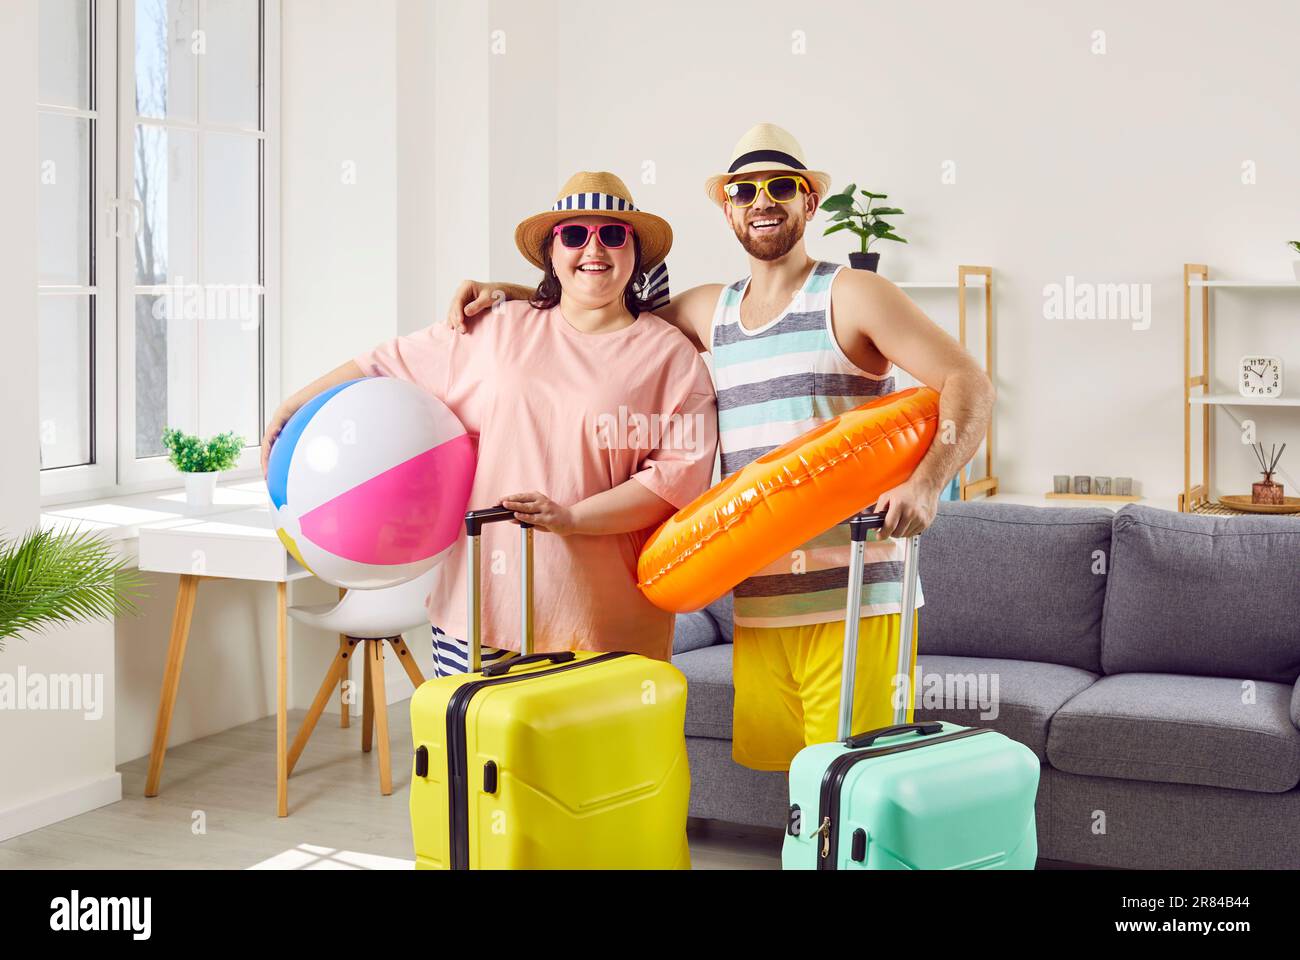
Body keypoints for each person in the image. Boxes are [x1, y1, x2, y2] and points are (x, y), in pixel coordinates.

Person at [444, 124, 995, 771]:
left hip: (854, 596)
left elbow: (969, 382)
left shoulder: (851, 294)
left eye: (780, 187)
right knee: (794, 781)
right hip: (759, 599)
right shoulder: (711, 311)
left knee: (858, 781)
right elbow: (604, 309)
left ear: (808, 202)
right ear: (728, 207)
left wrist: (926, 484)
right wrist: (512, 295)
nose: (762, 200)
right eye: (745, 190)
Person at [262, 171, 717, 675]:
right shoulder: (497, 327)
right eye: (574, 234)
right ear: (551, 251)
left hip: (604, 624)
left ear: (635, 254)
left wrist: (572, 518)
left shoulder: (673, 358)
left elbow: (675, 482)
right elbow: (385, 363)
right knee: (468, 750)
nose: (594, 248)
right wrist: (291, 405)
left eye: (613, 234)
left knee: (590, 755)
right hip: (478, 610)